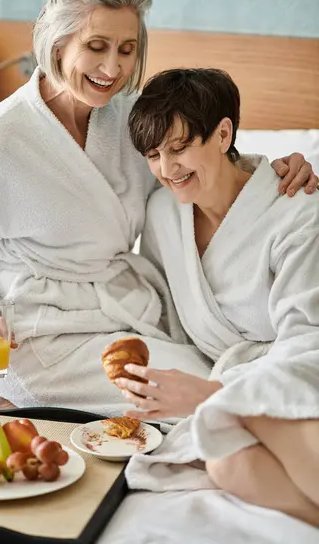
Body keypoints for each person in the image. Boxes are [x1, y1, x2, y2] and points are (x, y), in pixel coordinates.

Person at [0, 0, 317, 416]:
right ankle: (18, 399)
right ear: (58, 41)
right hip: (32, 329)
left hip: (118, 314)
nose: (112, 68)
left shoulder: (128, 116)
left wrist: (272, 173)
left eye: (127, 49)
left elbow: (195, 159)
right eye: (96, 46)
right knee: (199, 399)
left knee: (207, 380)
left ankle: (24, 406)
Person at [116, 67, 319, 526]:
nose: (167, 170)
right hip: (230, 378)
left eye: (180, 147)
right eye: (153, 155)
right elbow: (162, 310)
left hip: (297, 370)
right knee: (227, 463)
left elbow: (309, 339)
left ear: (223, 133)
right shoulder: (163, 214)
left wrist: (215, 394)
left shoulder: (298, 211)